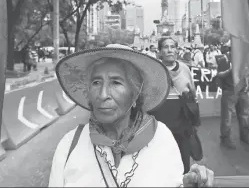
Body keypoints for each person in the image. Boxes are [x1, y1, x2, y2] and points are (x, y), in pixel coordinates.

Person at [49, 44, 214, 187]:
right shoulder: (70, 145)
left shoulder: (161, 138)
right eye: (96, 82)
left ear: (135, 94)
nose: (103, 94)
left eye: (116, 82)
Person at [148, 37, 199, 174]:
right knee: (162, 165)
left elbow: (193, 94)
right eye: (165, 47)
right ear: (160, 51)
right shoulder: (154, 70)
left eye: (172, 47)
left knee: (183, 164)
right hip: (160, 123)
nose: (169, 50)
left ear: (177, 50)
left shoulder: (185, 69)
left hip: (182, 123)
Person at [216, 44, 249, 149]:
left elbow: (247, 74)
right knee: (227, 117)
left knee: (244, 115)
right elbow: (219, 74)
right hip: (229, 91)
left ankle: (245, 136)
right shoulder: (223, 59)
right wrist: (230, 71)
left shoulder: (244, 60)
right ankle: (225, 138)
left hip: (243, 91)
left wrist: (247, 85)